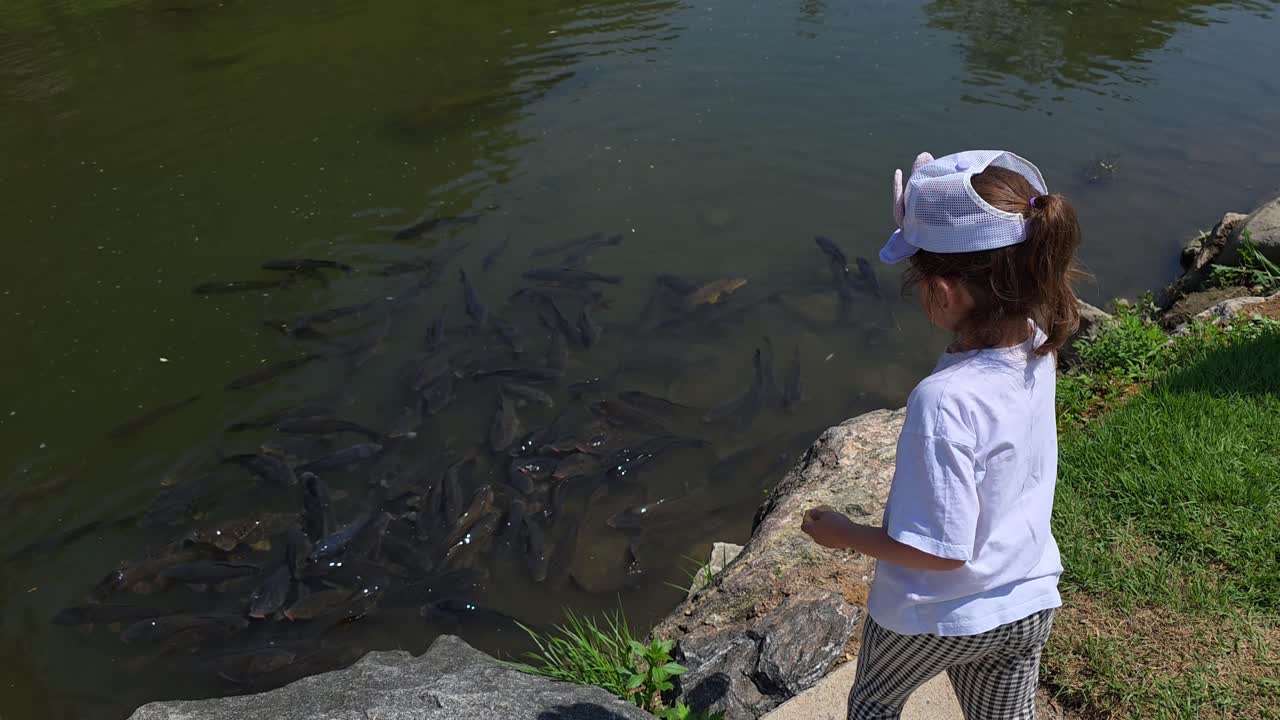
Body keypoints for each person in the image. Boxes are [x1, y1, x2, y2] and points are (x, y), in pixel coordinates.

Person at [800, 150, 1082, 720]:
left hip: (932, 619)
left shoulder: (944, 401)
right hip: (1026, 602)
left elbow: (939, 552)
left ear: (946, 293)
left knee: (874, 704)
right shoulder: (1035, 341)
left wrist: (845, 534)